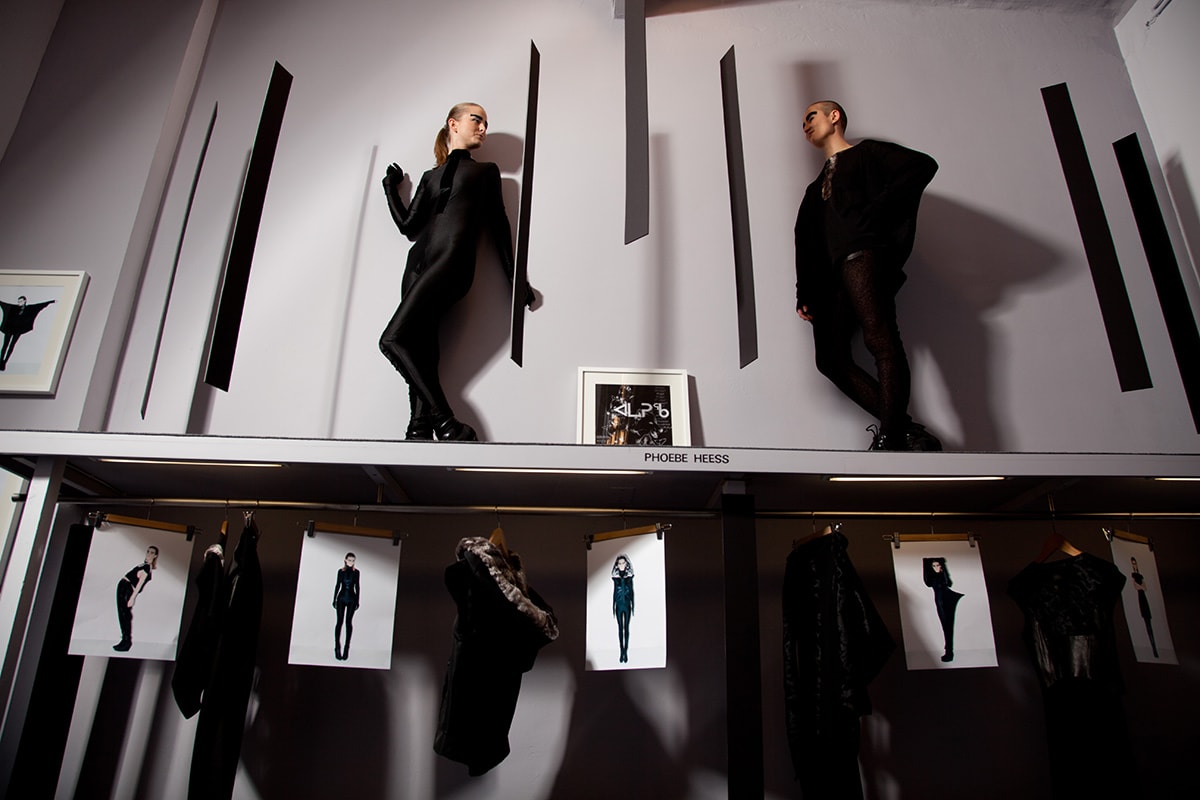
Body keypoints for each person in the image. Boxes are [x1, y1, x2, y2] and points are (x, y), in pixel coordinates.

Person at [380, 102, 534, 442]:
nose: (483, 128)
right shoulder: (430, 177)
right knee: (421, 345)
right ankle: (418, 427)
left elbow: (498, 226)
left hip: (452, 261)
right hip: (416, 264)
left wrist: (514, 280)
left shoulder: (487, 172)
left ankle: (446, 423)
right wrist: (390, 188)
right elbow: (408, 227)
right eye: (477, 120)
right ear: (453, 123)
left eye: (486, 124)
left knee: (392, 339)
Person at [794, 100, 941, 451]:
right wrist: (804, 292)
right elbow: (805, 240)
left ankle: (891, 437)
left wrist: (873, 214)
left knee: (881, 340)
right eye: (803, 122)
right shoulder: (814, 190)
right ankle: (905, 432)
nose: (805, 125)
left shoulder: (867, 154)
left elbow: (922, 166)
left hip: (863, 256)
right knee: (830, 359)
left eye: (811, 116)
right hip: (829, 277)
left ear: (834, 117)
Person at [113, 545, 158, 652]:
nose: (148, 554)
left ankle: (126, 641)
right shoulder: (144, 565)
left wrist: (132, 598)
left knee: (124, 614)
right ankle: (125, 640)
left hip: (126, 588)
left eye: (152, 552)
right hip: (124, 587)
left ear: (155, 556)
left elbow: (140, 584)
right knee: (123, 614)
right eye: (148, 551)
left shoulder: (147, 568)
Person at [923, 556, 964, 662]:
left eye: (938, 565)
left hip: (948, 598)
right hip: (940, 601)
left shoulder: (943, 576)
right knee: (946, 626)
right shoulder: (931, 578)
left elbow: (949, 583)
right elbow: (927, 582)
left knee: (948, 626)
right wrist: (925, 563)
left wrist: (943, 570)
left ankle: (949, 652)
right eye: (934, 566)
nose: (936, 567)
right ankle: (949, 652)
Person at [0, 295, 55, 371]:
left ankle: (4, 362)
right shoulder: (13, 307)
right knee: (5, 345)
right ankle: (1, 361)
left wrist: (51, 301)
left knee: (12, 346)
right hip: (9, 328)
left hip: (18, 330)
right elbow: (3, 304)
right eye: (18, 301)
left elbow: (38, 306)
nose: (19, 302)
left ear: (25, 301)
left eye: (21, 301)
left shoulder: (29, 308)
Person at [332, 552, 360, 661]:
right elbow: (337, 585)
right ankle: (337, 647)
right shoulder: (341, 571)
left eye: (353, 560)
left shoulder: (356, 572)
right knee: (339, 622)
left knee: (348, 622)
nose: (351, 562)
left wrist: (357, 601)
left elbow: (357, 587)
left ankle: (346, 648)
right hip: (341, 598)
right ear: (345, 560)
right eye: (349, 560)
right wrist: (334, 599)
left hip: (352, 599)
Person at [1129, 557, 1158, 658]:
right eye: (1133, 564)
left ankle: (1154, 649)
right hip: (1141, 598)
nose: (1134, 565)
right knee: (1147, 623)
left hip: (1144, 598)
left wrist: (1141, 587)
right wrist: (1140, 586)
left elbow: (1144, 588)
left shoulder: (1140, 576)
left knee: (1149, 623)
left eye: (1135, 563)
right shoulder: (1134, 576)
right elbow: (1137, 587)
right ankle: (1153, 649)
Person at [611, 554, 635, 663]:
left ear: (626, 564)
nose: (621, 565)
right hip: (619, 605)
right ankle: (622, 652)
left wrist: (633, 605)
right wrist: (613, 606)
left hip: (627, 605)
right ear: (617, 564)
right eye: (619, 563)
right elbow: (614, 592)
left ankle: (626, 652)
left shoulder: (629, 578)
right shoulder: (615, 578)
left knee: (627, 628)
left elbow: (632, 591)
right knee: (620, 628)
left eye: (623, 563)